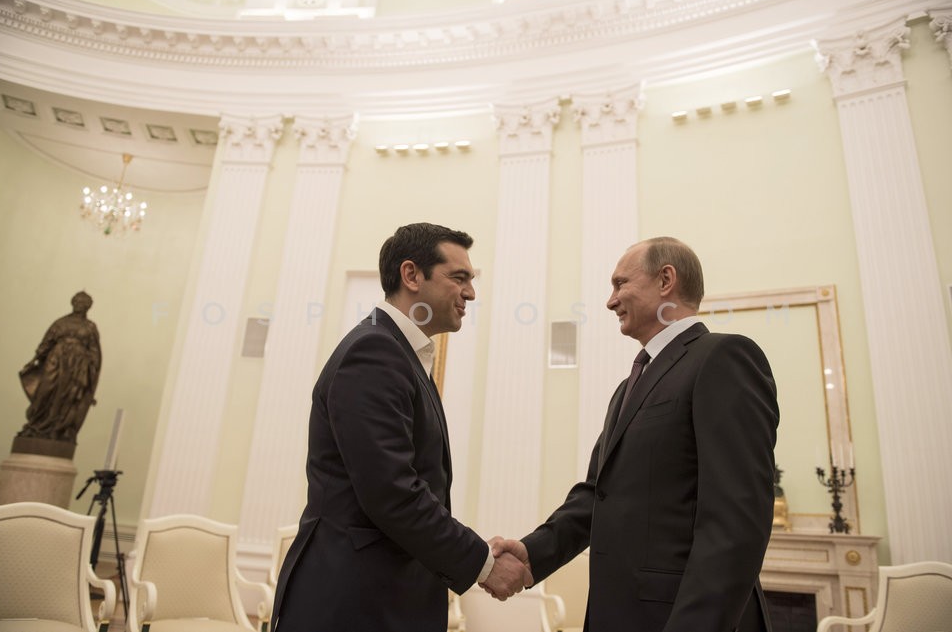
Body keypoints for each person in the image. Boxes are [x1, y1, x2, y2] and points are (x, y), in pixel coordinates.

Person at [491, 237, 779, 632]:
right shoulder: (627, 388)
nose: (610, 301)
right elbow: (598, 493)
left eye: (620, 283)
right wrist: (532, 553)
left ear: (665, 280)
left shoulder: (722, 358)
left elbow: (736, 520)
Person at [271, 223, 533, 632]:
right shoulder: (374, 350)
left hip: (382, 598)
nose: (470, 293)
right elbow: (392, 491)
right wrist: (483, 564)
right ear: (411, 275)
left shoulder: (401, 354)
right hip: (352, 604)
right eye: (459, 277)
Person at [18, 291, 102, 442]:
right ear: (72, 303)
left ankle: (58, 429)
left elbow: (94, 351)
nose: (79, 305)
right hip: (56, 361)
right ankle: (36, 425)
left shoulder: (90, 327)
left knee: (68, 399)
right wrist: (34, 360)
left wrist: (91, 376)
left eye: (83, 303)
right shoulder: (60, 323)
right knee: (45, 391)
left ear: (88, 306)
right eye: (77, 301)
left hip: (77, 367)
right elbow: (46, 343)